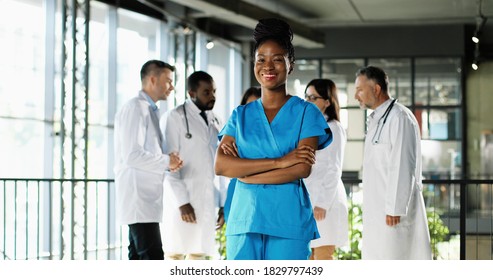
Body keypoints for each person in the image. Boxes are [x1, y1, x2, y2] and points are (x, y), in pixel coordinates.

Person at [215, 18, 332, 260]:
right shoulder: (240, 115)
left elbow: (301, 168)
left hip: (287, 220)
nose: (268, 66)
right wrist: (280, 162)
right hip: (244, 219)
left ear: (290, 65)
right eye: (261, 60)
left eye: (277, 59)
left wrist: (244, 174)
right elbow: (222, 166)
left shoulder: (306, 113)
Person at [354, 65, 431, 260]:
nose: (356, 96)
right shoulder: (377, 120)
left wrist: (395, 207)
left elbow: (403, 164)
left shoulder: (400, 118)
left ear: (376, 89)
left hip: (393, 212)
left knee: (396, 259)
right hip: (377, 210)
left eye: (360, 90)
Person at [114, 59, 183, 260]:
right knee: (151, 257)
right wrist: (166, 161)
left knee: (138, 256)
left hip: (146, 199)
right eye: (168, 81)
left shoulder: (149, 110)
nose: (172, 86)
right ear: (152, 80)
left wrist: (168, 163)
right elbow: (132, 155)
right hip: (139, 198)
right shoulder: (136, 108)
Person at [160, 70, 226, 260]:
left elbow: (220, 164)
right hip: (183, 200)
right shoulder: (175, 117)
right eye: (207, 92)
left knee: (199, 255)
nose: (212, 96)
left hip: (207, 199)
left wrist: (223, 203)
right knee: (175, 255)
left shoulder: (216, 119)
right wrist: (182, 203)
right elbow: (169, 165)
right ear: (191, 93)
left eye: (214, 91)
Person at [303, 79, 349, 260]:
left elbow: (334, 168)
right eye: (306, 97)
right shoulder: (308, 126)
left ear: (327, 102)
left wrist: (322, 202)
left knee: (322, 255)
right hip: (309, 198)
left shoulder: (334, 128)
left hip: (325, 202)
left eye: (313, 97)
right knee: (309, 256)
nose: (307, 101)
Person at [223, 86, 261, 223]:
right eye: (248, 106)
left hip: (265, 196)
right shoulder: (234, 131)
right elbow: (224, 167)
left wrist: (241, 164)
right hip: (237, 192)